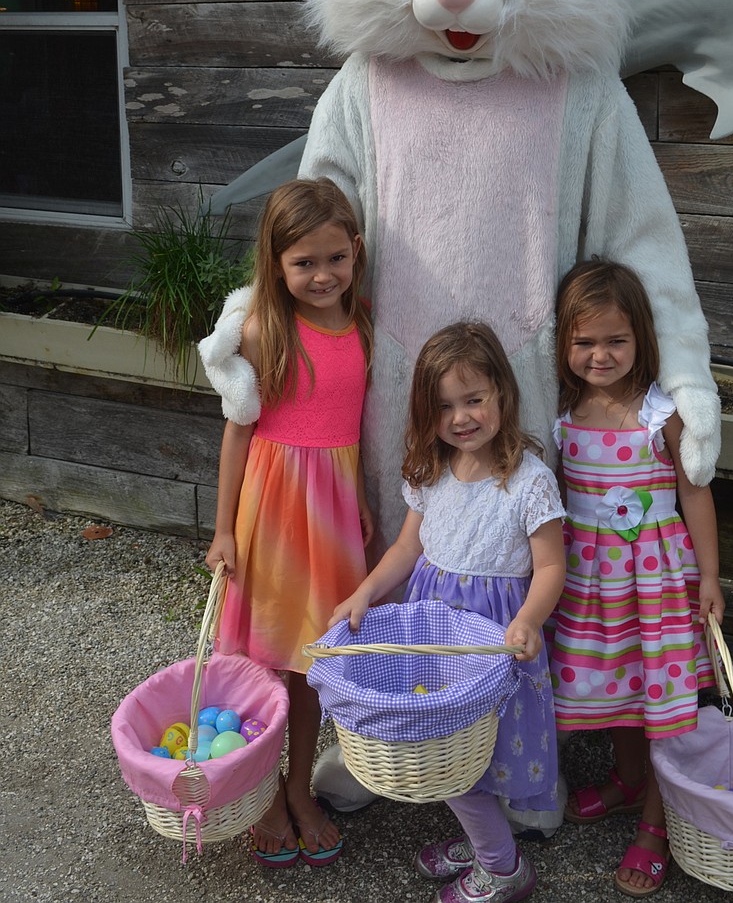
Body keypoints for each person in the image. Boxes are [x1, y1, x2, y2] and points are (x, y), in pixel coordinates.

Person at [331, 322, 566, 903]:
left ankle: (503, 867)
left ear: (502, 396)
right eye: (444, 406)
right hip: (438, 641)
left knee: (471, 758)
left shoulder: (529, 480)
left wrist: (529, 620)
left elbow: (552, 568)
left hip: (491, 643)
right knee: (447, 752)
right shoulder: (431, 473)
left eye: (474, 400)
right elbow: (407, 549)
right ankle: (485, 840)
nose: (461, 417)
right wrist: (365, 591)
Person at [202, 178, 374, 869]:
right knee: (264, 663)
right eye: (304, 262)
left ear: (355, 252)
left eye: (335, 257)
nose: (322, 274)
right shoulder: (262, 329)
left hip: (331, 516)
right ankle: (260, 793)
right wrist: (223, 529)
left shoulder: (363, 321)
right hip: (270, 514)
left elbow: (356, 423)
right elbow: (237, 436)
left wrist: (360, 495)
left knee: (312, 664)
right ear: (275, 262)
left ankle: (300, 788)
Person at [550, 260, 724, 898]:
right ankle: (628, 782)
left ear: (640, 338)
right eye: (585, 341)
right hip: (590, 585)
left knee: (661, 697)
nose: (601, 354)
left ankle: (656, 822)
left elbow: (694, 492)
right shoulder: (563, 411)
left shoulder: (661, 411)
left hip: (656, 583)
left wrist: (710, 576)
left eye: (615, 340)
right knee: (618, 681)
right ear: (564, 343)